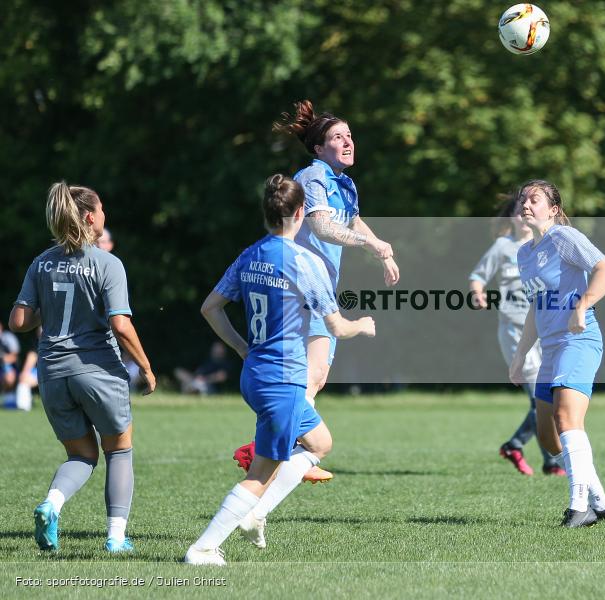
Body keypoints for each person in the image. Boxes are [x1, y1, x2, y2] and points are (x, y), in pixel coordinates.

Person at [184, 174, 375, 565]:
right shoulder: (305, 262)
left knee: (320, 443)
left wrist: (241, 347)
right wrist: (363, 325)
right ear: (301, 213)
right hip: (284, 378)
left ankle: (255, 512)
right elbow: (337, 326)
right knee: (261, 473)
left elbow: (210, 308)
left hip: (255, 374)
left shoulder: (250, 254)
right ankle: (203, 547)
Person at [232, 100, 400, 484]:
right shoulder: (314, 177)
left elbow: (351, 219)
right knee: (308, 374)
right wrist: (371, 247)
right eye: (337, 137)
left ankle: (279, 444)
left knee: (316, 375)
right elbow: (324, 227)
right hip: (297, 286)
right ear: (318, 148)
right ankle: (275, 447)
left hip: (317, 288)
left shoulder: (343, 182)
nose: (347, 141)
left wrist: (382, 251)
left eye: (349, 135)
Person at [9, 181, 156, 553]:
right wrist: (146, 366)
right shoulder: (107, 263)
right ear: (91, 218)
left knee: (81, 456)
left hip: (53, 374)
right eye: (102, 209)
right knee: (119, 450)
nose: (105, 215)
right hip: (97, 370)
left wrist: (50, 307)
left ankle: (51, 504)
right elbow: (121, 325)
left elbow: (18, 321)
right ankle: (117, 538)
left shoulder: (41, 262)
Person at [508, 179, 605, 528]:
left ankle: (579, 508)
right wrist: (520, 354)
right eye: (523, 199)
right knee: (547, 436)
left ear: (554, 209)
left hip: (580, 341)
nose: (526, 204)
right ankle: (600, 501)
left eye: (535, 199)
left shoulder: (564, 238)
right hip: (551, 348)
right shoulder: (524, 253)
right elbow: (535, 308)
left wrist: (583, 304)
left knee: (567, 418)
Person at [469, 195, 564, 477]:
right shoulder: (502, 247)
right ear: (511, 217)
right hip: (514, 331)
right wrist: (478, 292)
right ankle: (536, 454)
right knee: (541, 398)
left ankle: (528, 451)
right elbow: (477, 275)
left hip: (544, 330)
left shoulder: (544, 246)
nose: (523, 216)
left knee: (547, 396)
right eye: (517, 212)